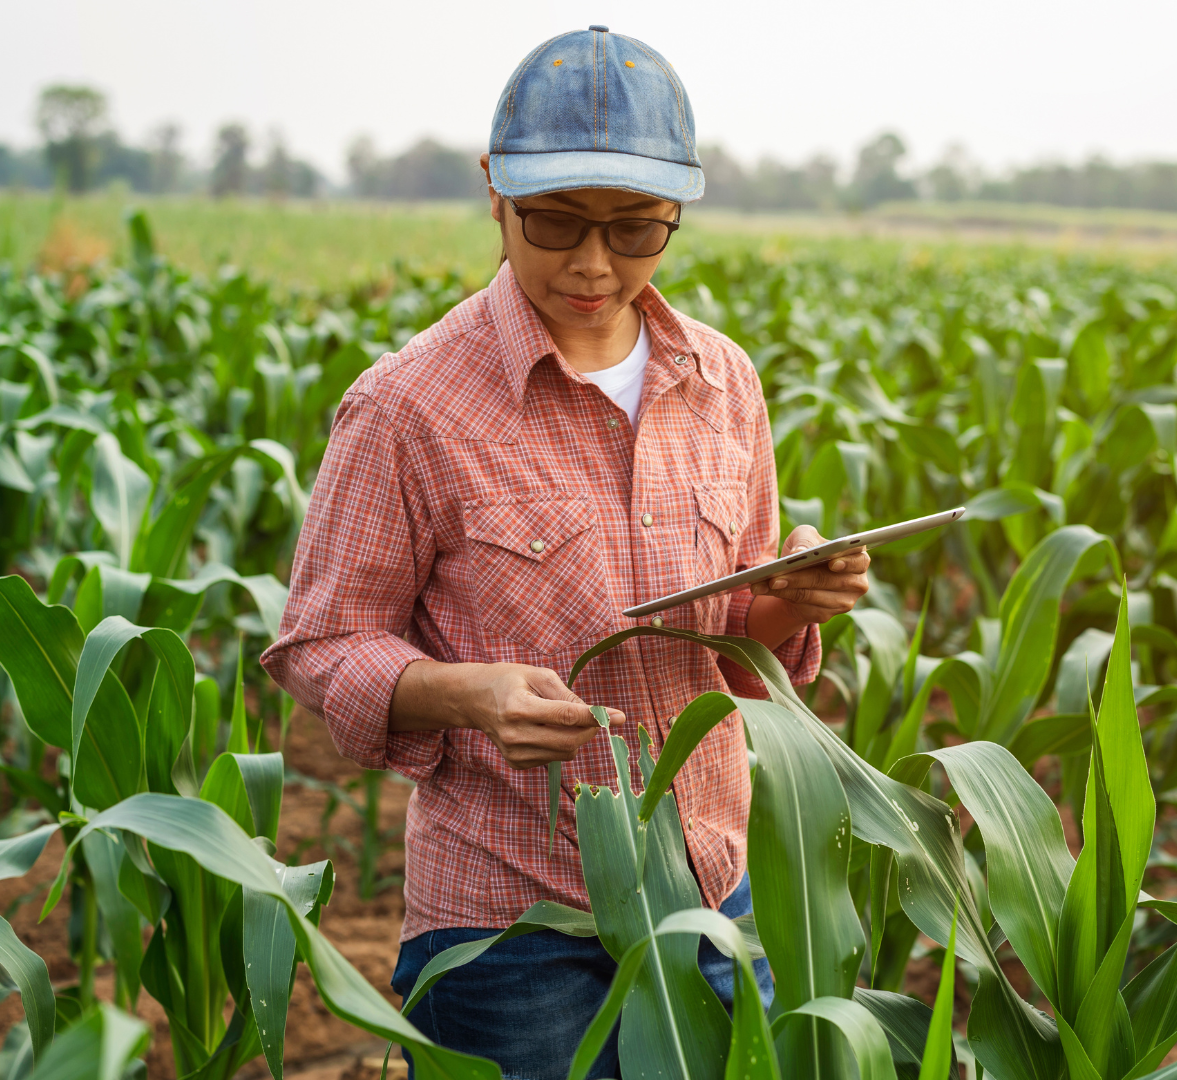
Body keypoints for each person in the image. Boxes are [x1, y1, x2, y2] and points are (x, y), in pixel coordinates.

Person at [261, 24, 870, 1078]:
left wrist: (796, 598)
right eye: (553, 224)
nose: (593, 264)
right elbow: (320, 644)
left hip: (711, 896)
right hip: (509, 927)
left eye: (636, 231)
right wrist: (468, 695)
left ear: (678, 213)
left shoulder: (723, 383)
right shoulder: (409, 405)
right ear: (494, 189)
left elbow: (728, 655)